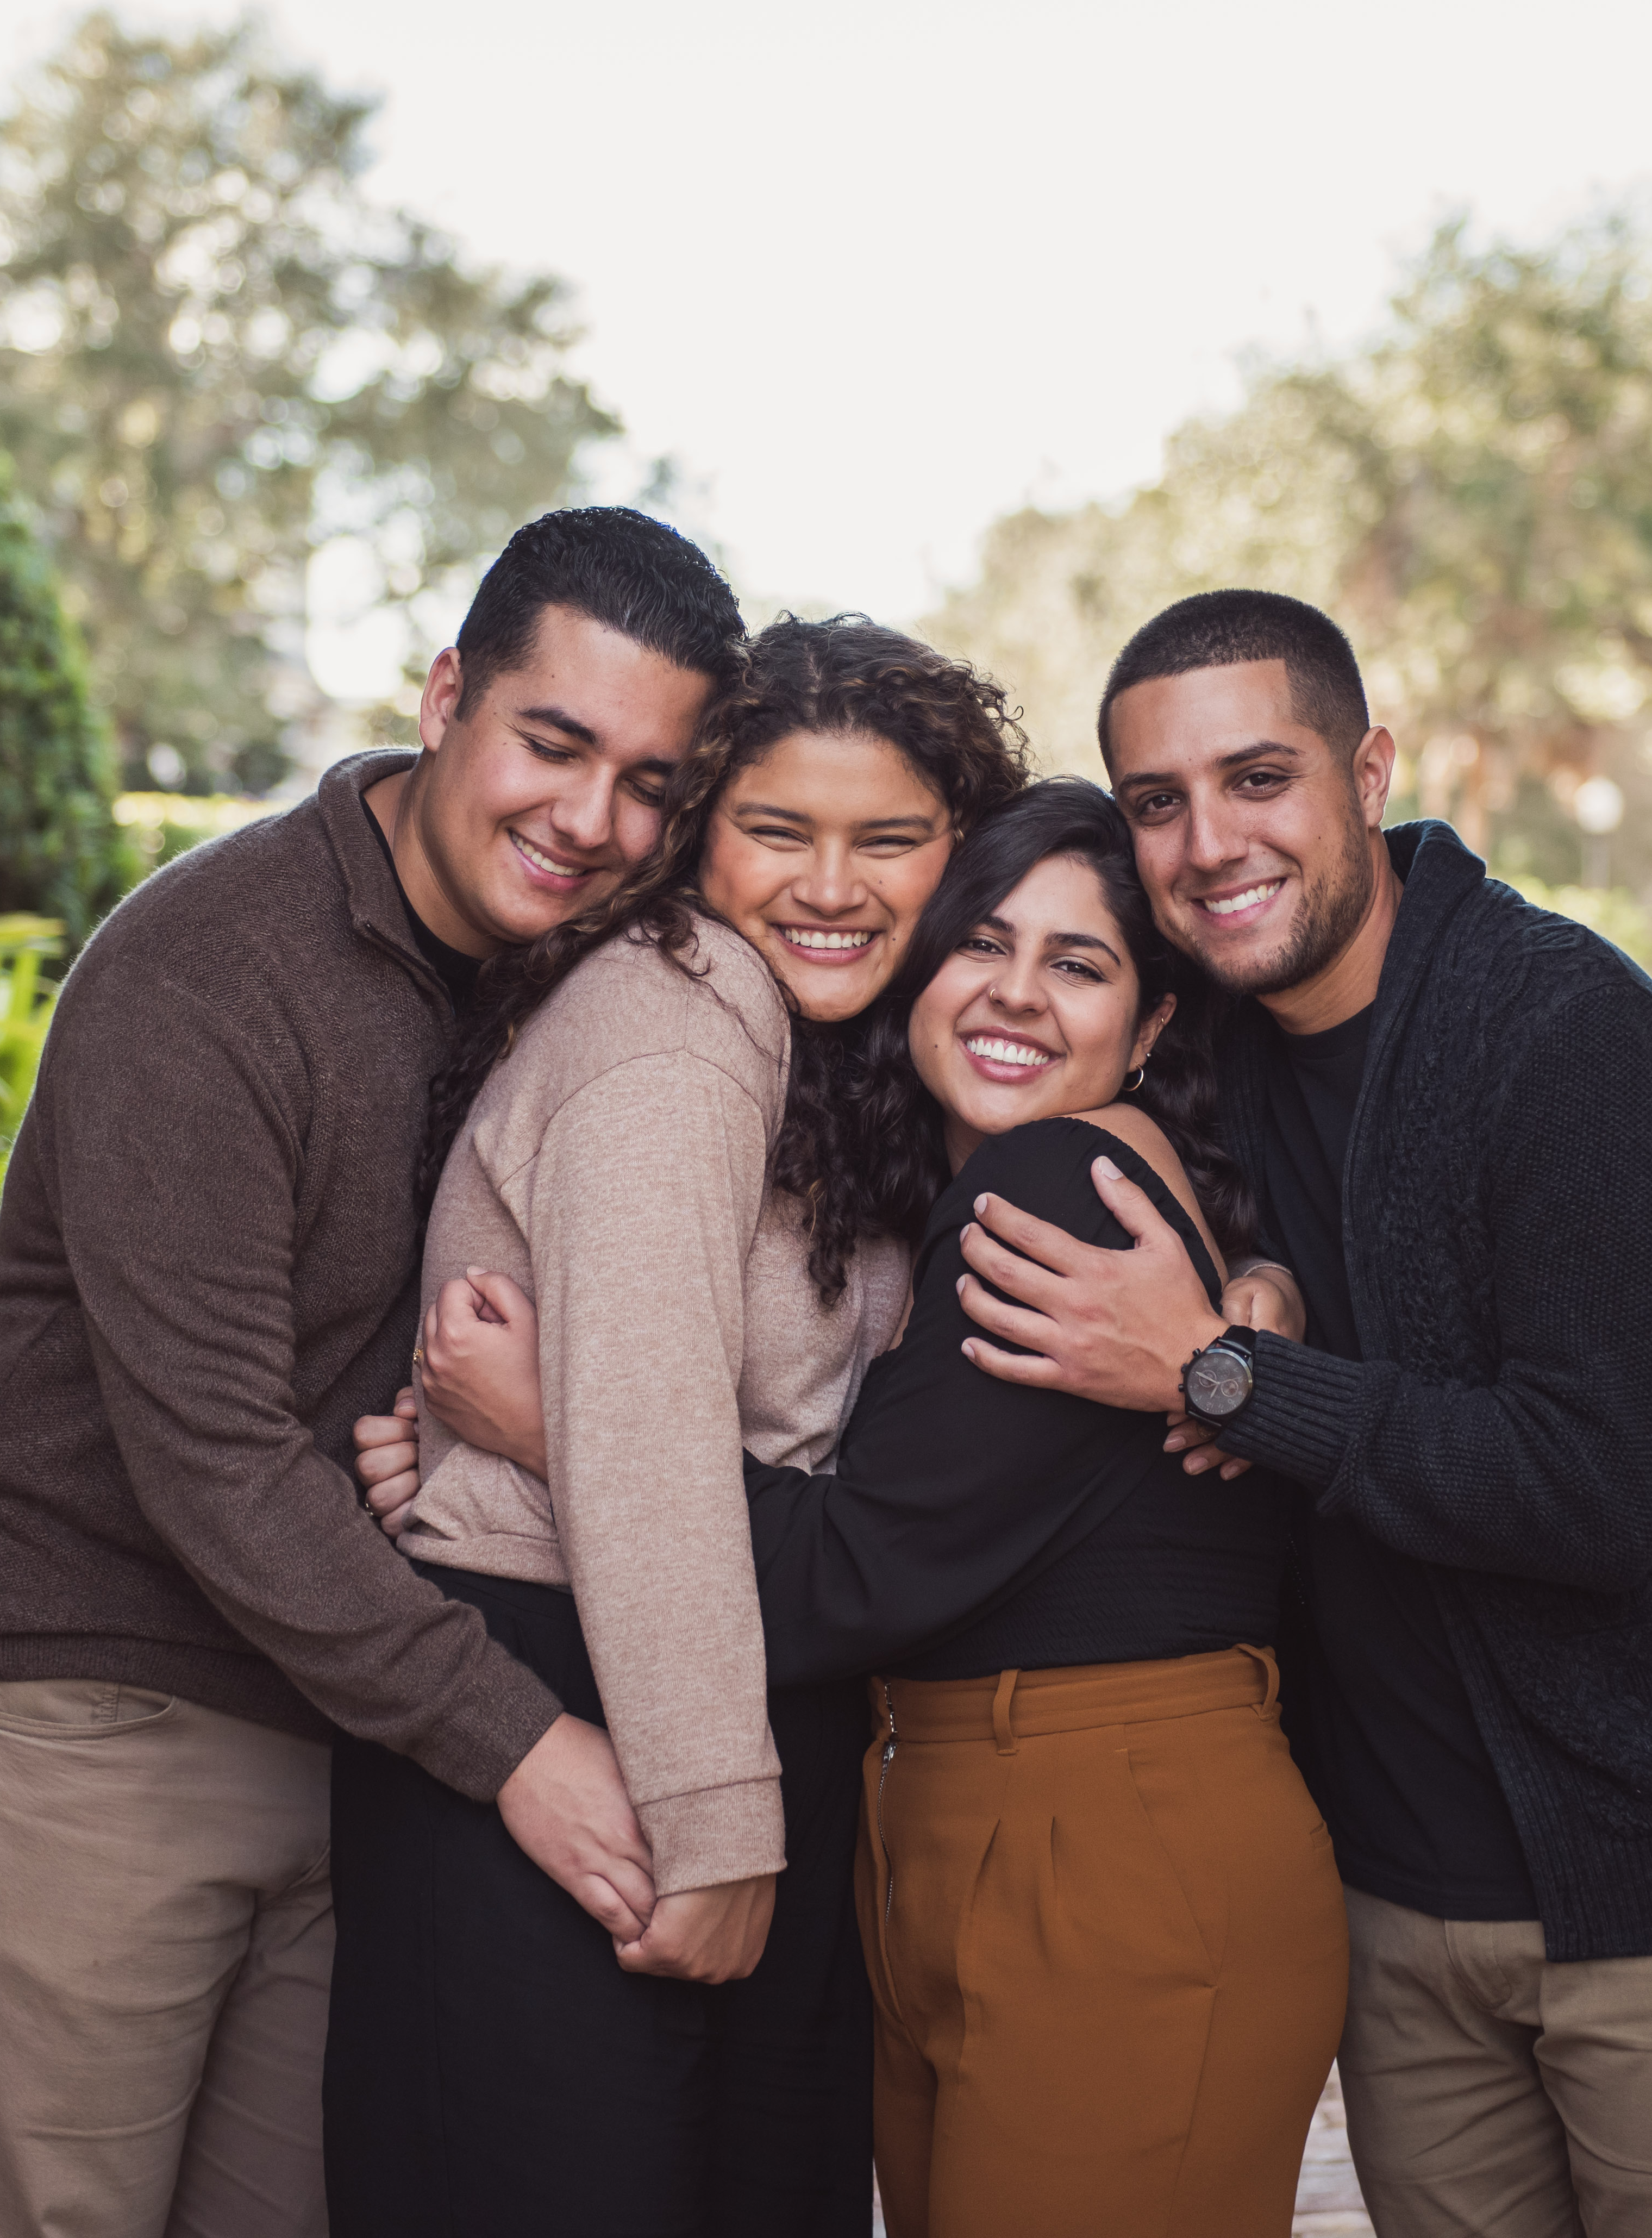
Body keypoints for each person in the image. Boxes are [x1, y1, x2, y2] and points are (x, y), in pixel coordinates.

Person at [0, 508, 744, 2238]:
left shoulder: (564, 985)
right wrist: (520, 1743)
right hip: (74, 1698)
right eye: (553, 743)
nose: (591, 819)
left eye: (650, 785)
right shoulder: (211, 968)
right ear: (445, 699)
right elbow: (212, 1454)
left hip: (334, 1724)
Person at [957, 591, 1652, 2238]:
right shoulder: (1189, 1048)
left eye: (1258, 778)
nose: (1208, 842)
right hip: (1391, 1902)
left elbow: (1589, 1494)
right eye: (1157, 802)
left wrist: (1229, 1372)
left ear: (1367, 771)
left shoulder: (1566, 1033)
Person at [406, 782, 1346, 2238]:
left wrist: (546, 1427)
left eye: (1081, 965)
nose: (1016, 995)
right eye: (981, 943)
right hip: (994, 1833)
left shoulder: (1053, 1185)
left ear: (1153, 1032)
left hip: (1116, 1851)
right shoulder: (992, 1201)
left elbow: (839, 1581)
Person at [321, 615, 1028, 2237]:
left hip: (723, 1683)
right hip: (588, 1699)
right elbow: (643, 1435)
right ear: (702, 835)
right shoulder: (674, 1031)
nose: (832, 886)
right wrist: (716, 1830)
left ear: (960, 855)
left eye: (892, 841)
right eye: (779, 831)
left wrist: (1252, 1279)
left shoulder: (852, 1061)